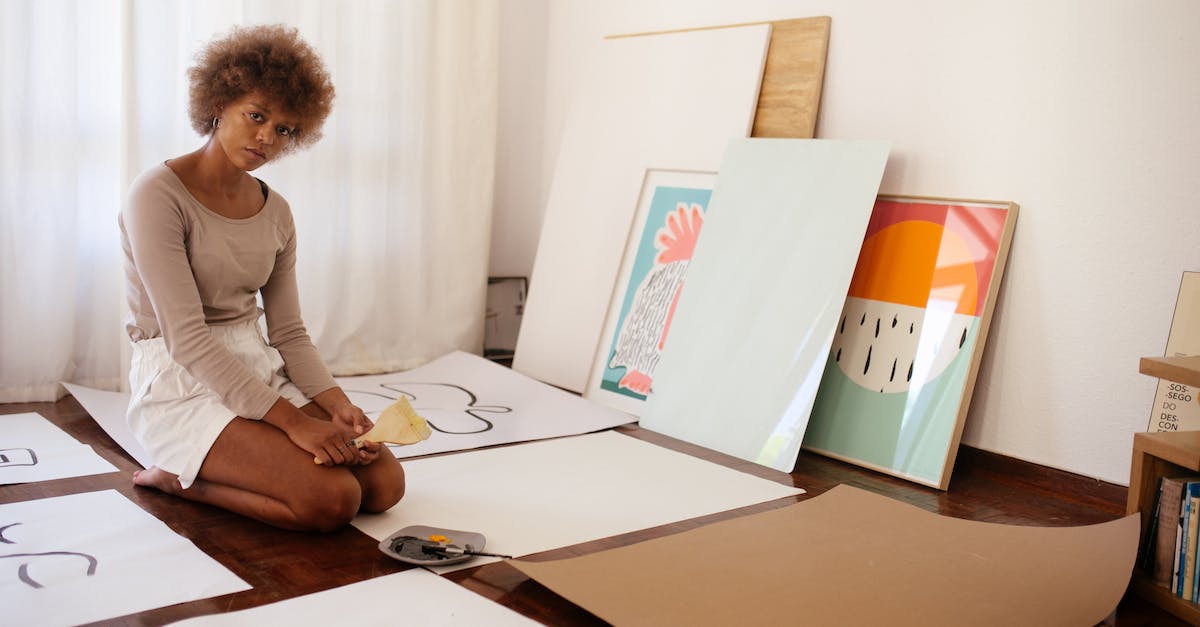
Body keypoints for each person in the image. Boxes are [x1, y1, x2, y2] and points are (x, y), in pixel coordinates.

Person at [119, 24, 405, 532]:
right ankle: (177, 476)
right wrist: (296, 425)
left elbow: (289, 332)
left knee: (383, 486)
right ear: (219, 102)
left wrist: (337, 407)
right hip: (181, 379)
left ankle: (238, 455)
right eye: (257, 116)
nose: (266, 138)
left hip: (254, 370)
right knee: (332, 501)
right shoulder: (156, 196)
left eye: (285, 129)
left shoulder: (277, 212)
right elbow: (187, 339)